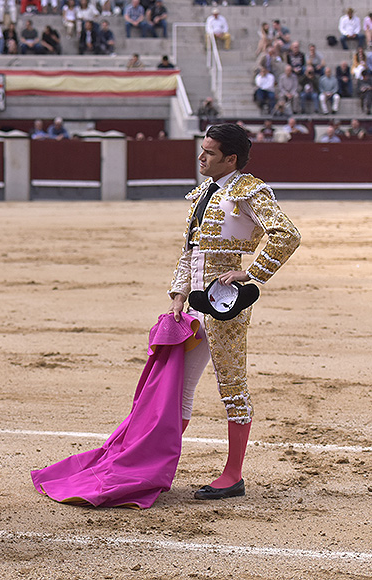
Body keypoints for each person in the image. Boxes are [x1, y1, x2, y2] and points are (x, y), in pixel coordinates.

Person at [169, 123, 300, 501]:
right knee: (180, 385)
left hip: (226, 299)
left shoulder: (248, 190)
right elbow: (189, 250)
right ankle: (159, 463)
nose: (201, 157)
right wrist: (178, 294)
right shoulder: (201, 194)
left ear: (231, 159)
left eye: (209, 152)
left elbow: (286, 234)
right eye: (202, 149)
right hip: (193, 300)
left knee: (232, 384)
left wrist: (252, 273)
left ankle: (233, 474)